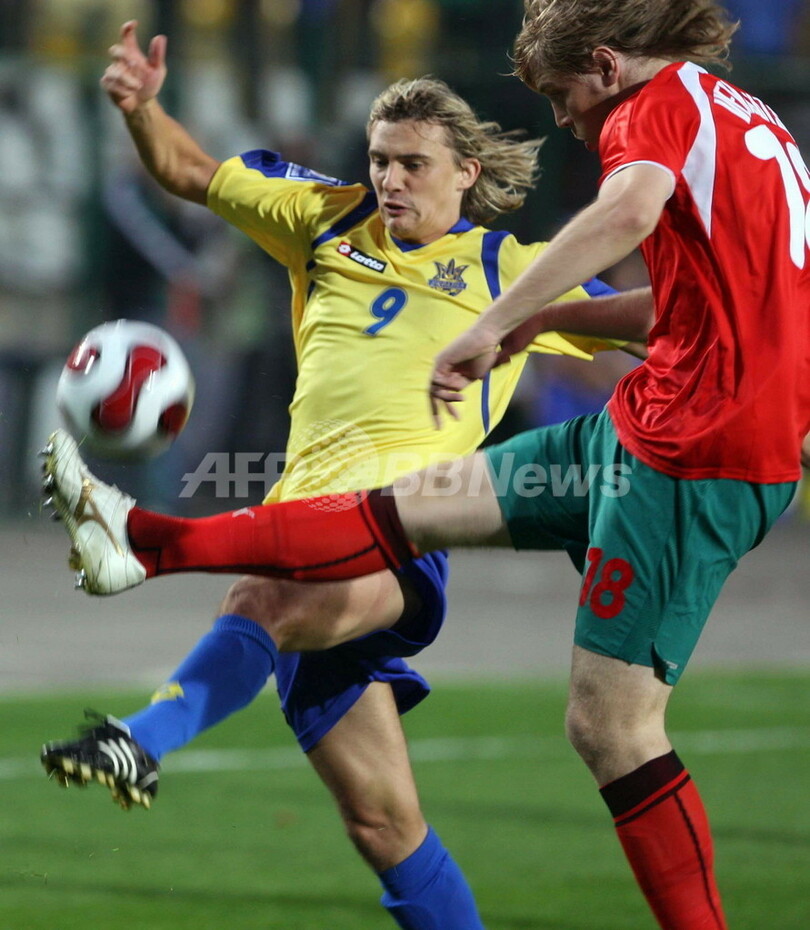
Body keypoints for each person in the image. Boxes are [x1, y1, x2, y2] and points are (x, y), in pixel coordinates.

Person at [41, 2, 810, 926]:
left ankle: (141, 696)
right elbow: (191, 171)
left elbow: (652, 268)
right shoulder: (323, 219)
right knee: (384, 826)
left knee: (270, 597)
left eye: (414, 164)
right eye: (380, 160)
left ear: (466, 173)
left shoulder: (511, 264)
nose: (390, 179)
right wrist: (140, 109)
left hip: (411, 544)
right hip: (305, 514)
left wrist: (523, 322)